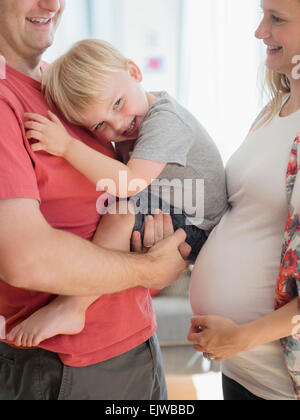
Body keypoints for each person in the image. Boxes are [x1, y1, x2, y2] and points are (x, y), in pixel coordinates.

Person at [0, 0, 190, 400]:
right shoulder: (5, 99)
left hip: (135, 341)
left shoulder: (64, 86)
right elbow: (24, 259)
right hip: (70, 368)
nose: (51, 4)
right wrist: (148, 269)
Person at [5, 39, 228, 348]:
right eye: (100, 124)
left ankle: (73, 307)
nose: (119, 125)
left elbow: (129, 183)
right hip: (177, 211)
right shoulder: (133, 126)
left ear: (134, 72)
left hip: (197, 226)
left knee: (121, 211)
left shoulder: (166, 120)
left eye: (118, 103)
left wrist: (67, 146)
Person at [188, 0, 300, 401]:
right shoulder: (274, 110)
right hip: (240, 371)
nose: (259, 32)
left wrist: (243, 336)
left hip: (278, 384)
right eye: (261, 15)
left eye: (277, 20)